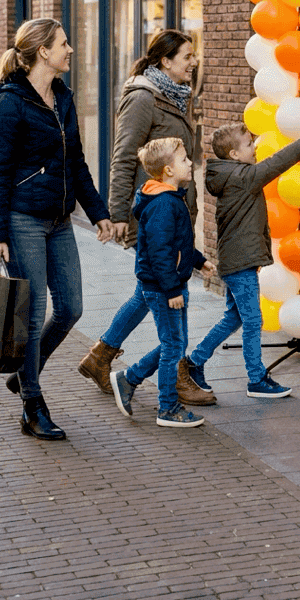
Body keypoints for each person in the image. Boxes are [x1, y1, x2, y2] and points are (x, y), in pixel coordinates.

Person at [0, 19, 114, 440]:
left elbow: (76, 162)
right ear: (43, 52)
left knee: (72, 308)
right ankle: (32, 405)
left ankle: (25, 375)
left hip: (59, 220)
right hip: (22, 219)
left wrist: (98, 213)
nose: (70, 49)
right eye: (63, 43)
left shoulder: (62, 96)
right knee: (33, 311)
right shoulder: (9, 103)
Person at [77, 29, 213, 407]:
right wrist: (118, 213)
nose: (193, 62)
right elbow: (122, 157)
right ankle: (176, 373)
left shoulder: (175, 96)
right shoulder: (143, 99)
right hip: (155, 215)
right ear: (165, 61)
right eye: (187, 56)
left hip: (173, 211)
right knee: (171, 290)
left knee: (146, 291)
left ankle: (100, 356)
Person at [182, 121, 300, 400]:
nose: (256, 147)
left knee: (234, 318)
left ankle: (194, 362)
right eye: (249, 144)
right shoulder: (244, 177)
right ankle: (256, 378)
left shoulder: (232, 174)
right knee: (253, 320)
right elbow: (277, 162)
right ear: (234, 155)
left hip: (237, 261)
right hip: (239, 264)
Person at [110, 138, 208, 428]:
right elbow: (159, 251)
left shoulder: (170, 198)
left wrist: (199, 261)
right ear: (168, 170)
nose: (190, 163)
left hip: (166, 283)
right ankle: (167, 408)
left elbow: (178, 243)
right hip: (163, 286)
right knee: (173, 346)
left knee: (174, 343)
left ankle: (129, 379)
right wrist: (172, 290)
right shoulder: (165, 203)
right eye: (183, 160)